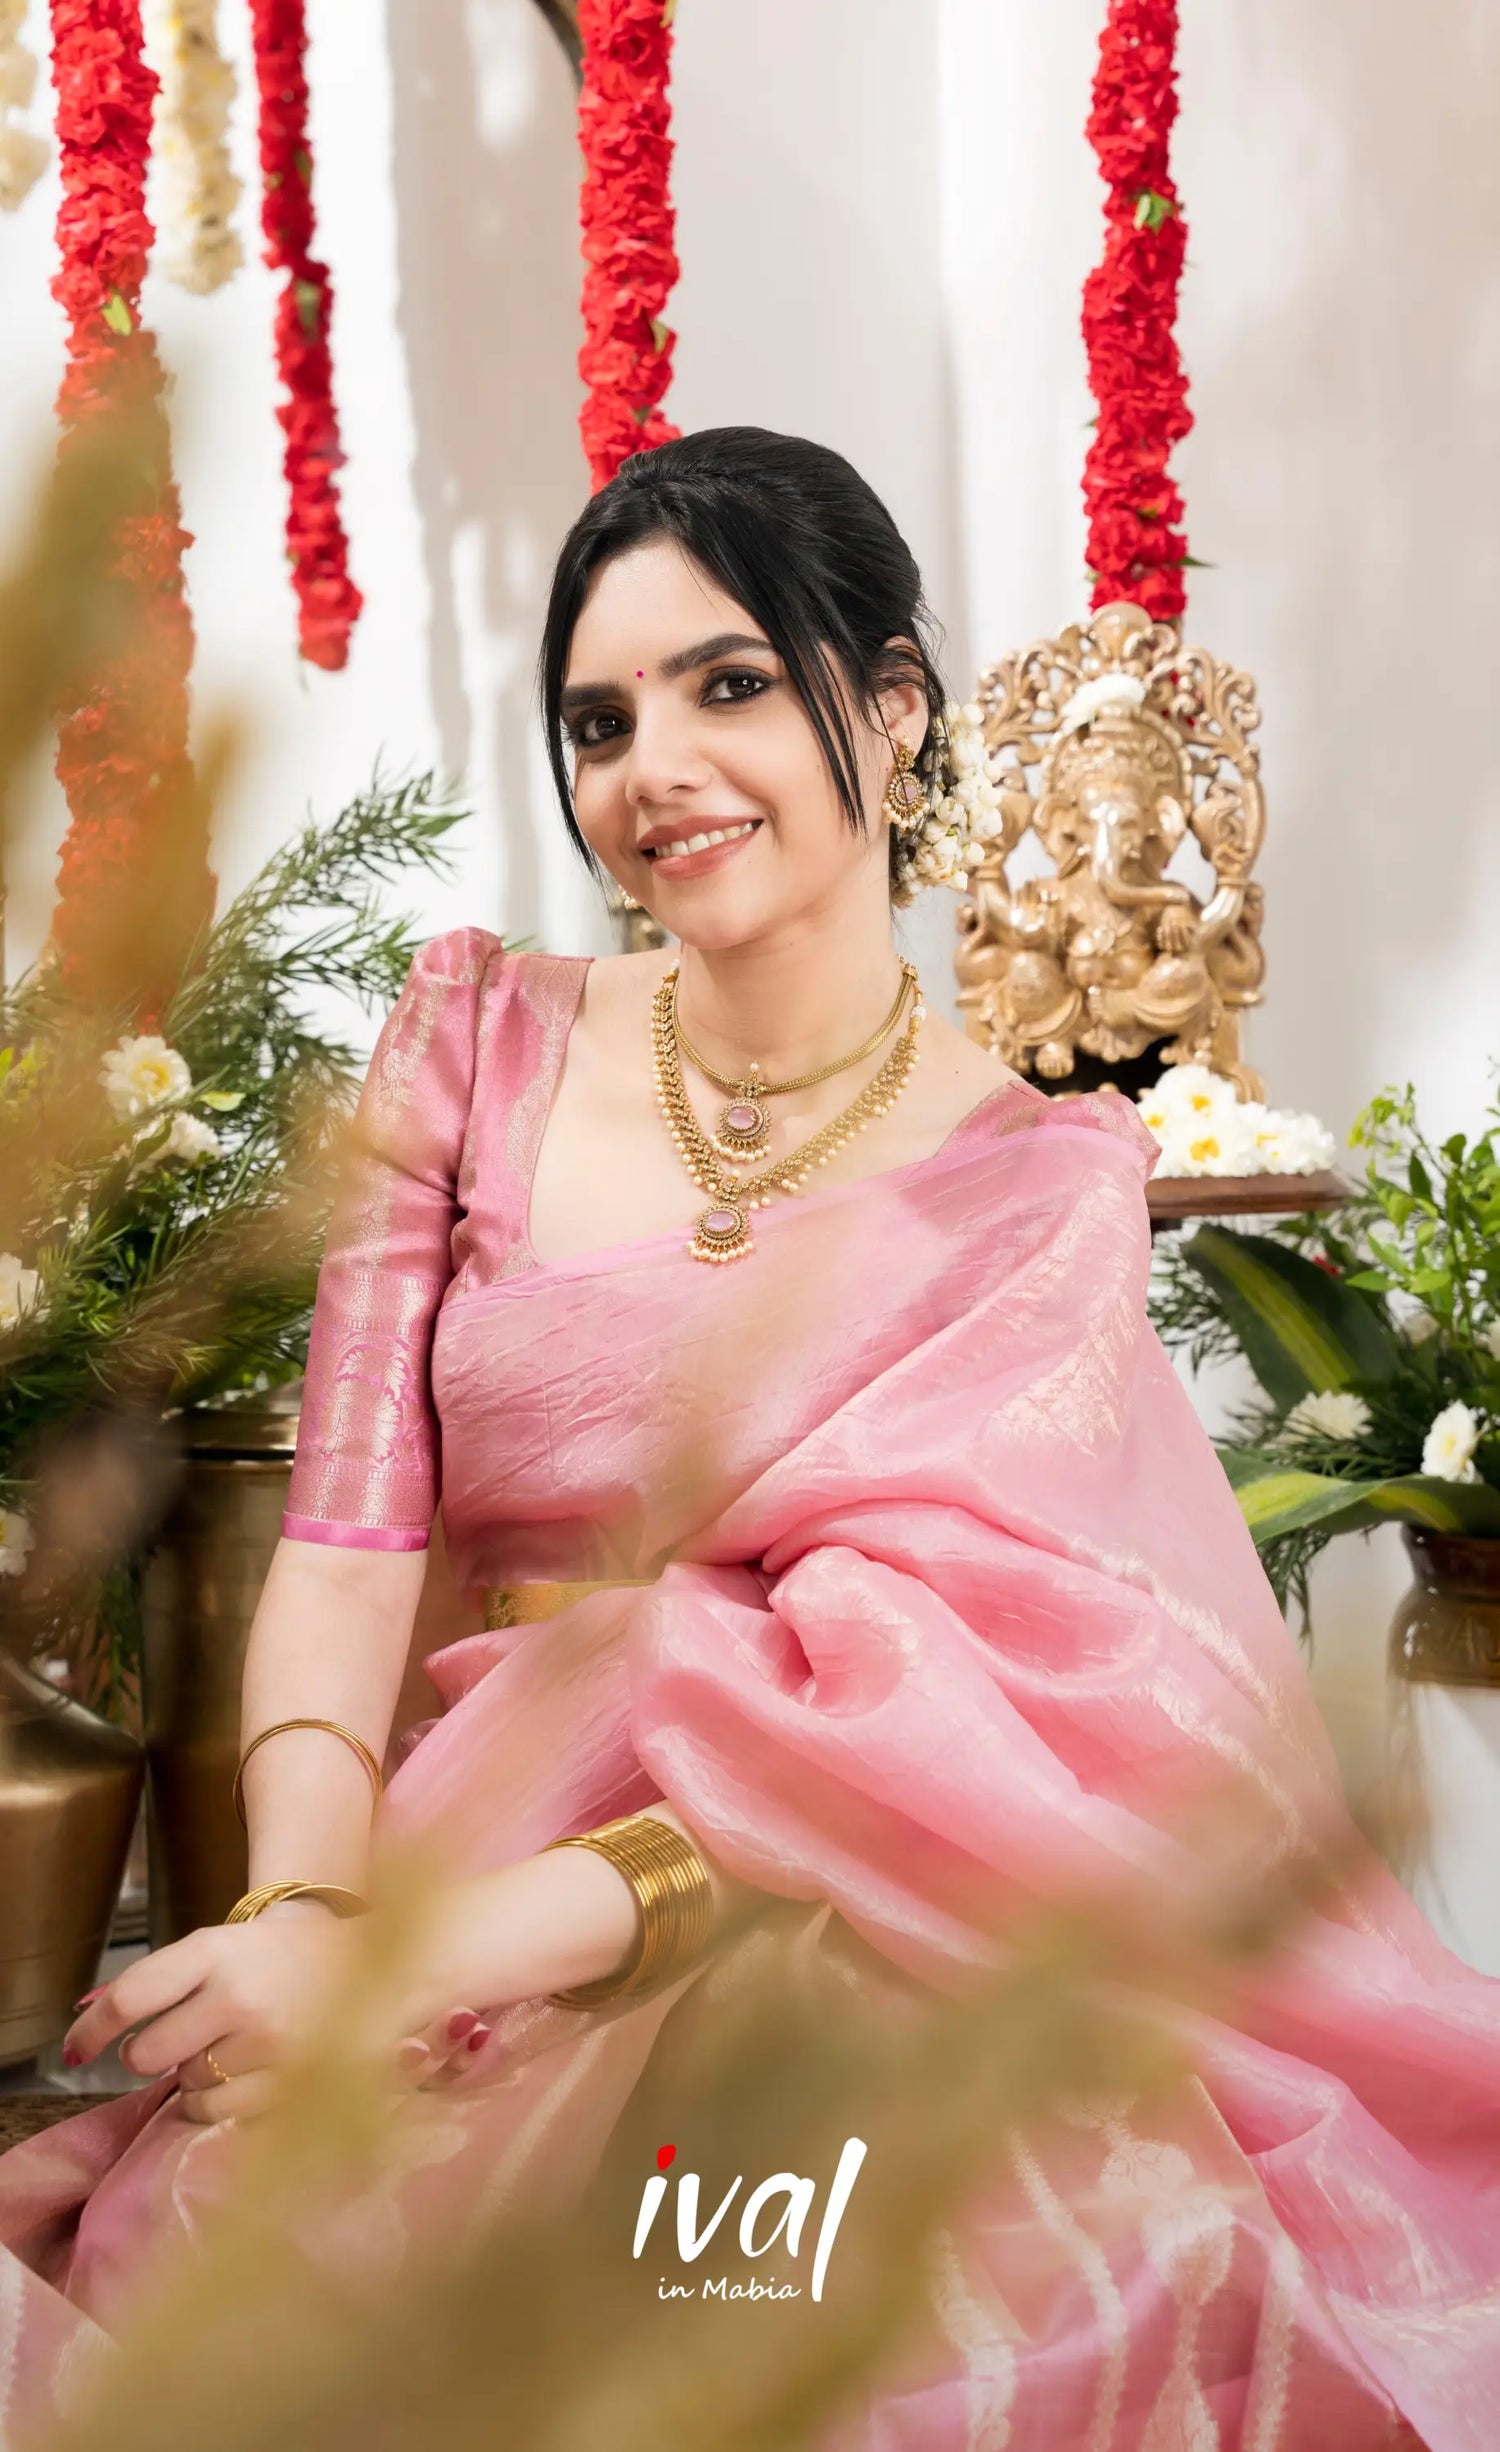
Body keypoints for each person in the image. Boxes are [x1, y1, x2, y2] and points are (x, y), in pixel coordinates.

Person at [1, 427, 1496, 2450]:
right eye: (600, 719)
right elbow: (349, 1538)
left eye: (730, 683)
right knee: (250, 2270)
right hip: (462, 1836)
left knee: (867, 2319)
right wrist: (306, 1920)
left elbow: (924, 1711)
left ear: (890, 708)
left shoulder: (1019, 1189)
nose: (657, 769)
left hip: (840, 1911)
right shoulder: (480, 1042)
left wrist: (433, 1962)